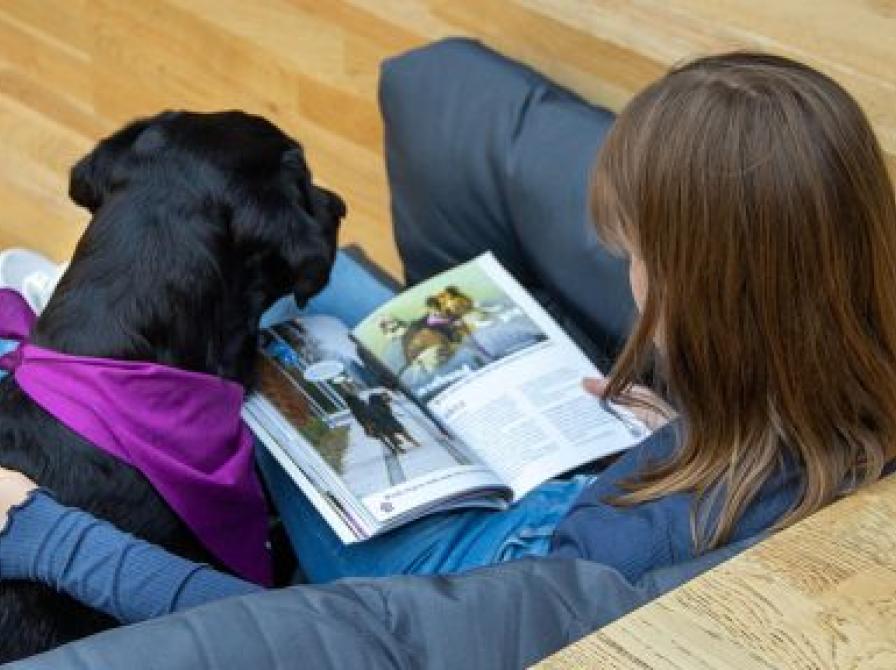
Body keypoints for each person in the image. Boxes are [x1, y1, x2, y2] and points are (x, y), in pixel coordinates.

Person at [1, 50, 895, 617]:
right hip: (612, 482)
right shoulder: (841, 398)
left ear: (702, 286)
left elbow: (293, 641)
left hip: (488, 572)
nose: (625, 274)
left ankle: (47, 315)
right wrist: (687, 428)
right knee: (334, 277)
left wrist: (49, 535)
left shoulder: (620, 566)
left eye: (630, 255)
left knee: (271, 331)